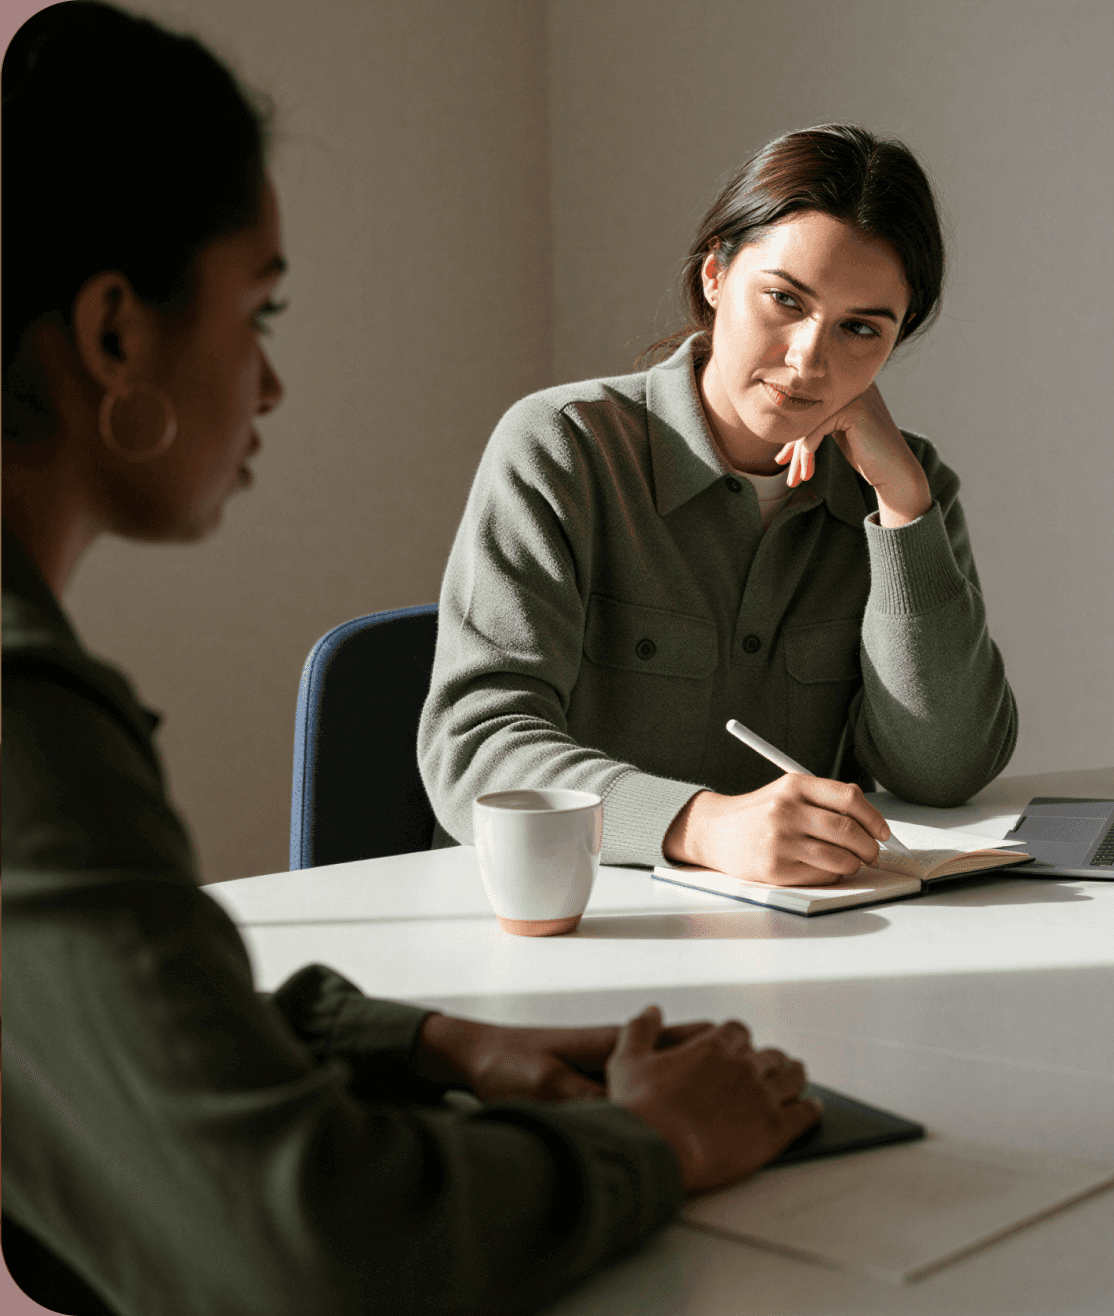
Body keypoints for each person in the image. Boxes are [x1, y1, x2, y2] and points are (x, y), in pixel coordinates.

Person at [1, 5, 819, 1313]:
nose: (267, 385)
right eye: (257, 311)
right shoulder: (28, 729)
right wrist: (655, 1143)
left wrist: (434, 1040)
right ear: (113, 335)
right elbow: (316, 1244)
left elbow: (114, 1013)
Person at [418, 123, 1019, 889]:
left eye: (860, 328)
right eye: (783, 300)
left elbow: (946, 770)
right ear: (714, 277)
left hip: (805, 934)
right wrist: (702, 825)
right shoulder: (560, 449)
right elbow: (475, 749)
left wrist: (903, 511)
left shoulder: (904, 482)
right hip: (572, 922)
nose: (809, 360)